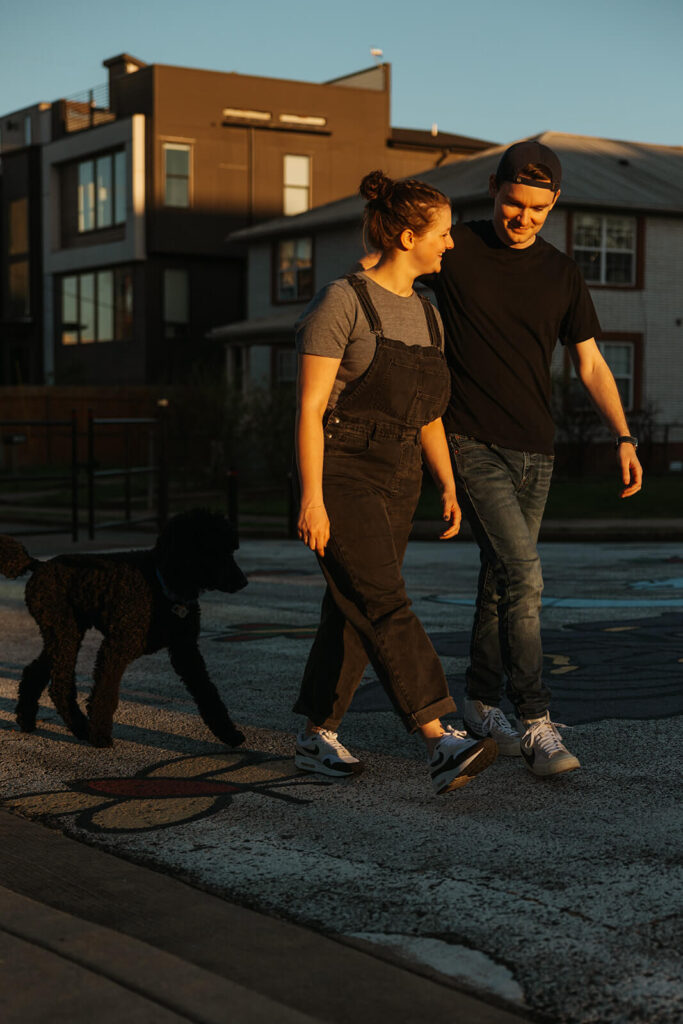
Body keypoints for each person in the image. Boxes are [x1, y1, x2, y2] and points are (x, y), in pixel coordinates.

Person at [429, 139, 643, 776]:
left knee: (500, 580)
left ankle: (478, 701)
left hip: (536, 449)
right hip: (470, 440)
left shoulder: (562, 273)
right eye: (514, 204)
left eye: (538, 210)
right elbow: (389, 272)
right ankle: (535, 720)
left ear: (554, 205)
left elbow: (591, 363)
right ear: (493, 187)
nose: (522, 218)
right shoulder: (455, 248)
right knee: (525, 575)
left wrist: (624, 437)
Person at [292, 170, 498, 795]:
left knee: (354, 604)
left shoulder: (428, 315)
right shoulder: (342, 302)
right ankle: (441, 739)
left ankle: (314, 735)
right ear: (409, 236)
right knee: (384, 600)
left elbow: (428, 410)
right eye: (442, 233)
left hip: (402, 473)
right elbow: (307, 409)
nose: (451, 244)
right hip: (343, 469)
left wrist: (446, 482)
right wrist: (312, 497)